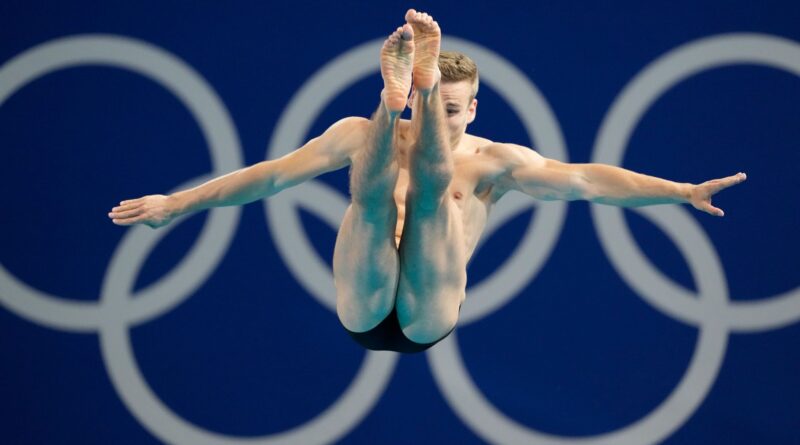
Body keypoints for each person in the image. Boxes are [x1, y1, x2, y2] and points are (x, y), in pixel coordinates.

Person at [107, 9, 747, 353]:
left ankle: (411, 91)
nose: (444, 116)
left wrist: (679, 191)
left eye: (447, 104)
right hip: (363, 297)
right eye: (430, 101)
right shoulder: (358, 136)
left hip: (428, 311)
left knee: (437, 193)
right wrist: (176, 204)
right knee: (372, 190)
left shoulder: (496, 159)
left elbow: (585, 180)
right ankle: (393, 103)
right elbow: (269, 179)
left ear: (472, 110)